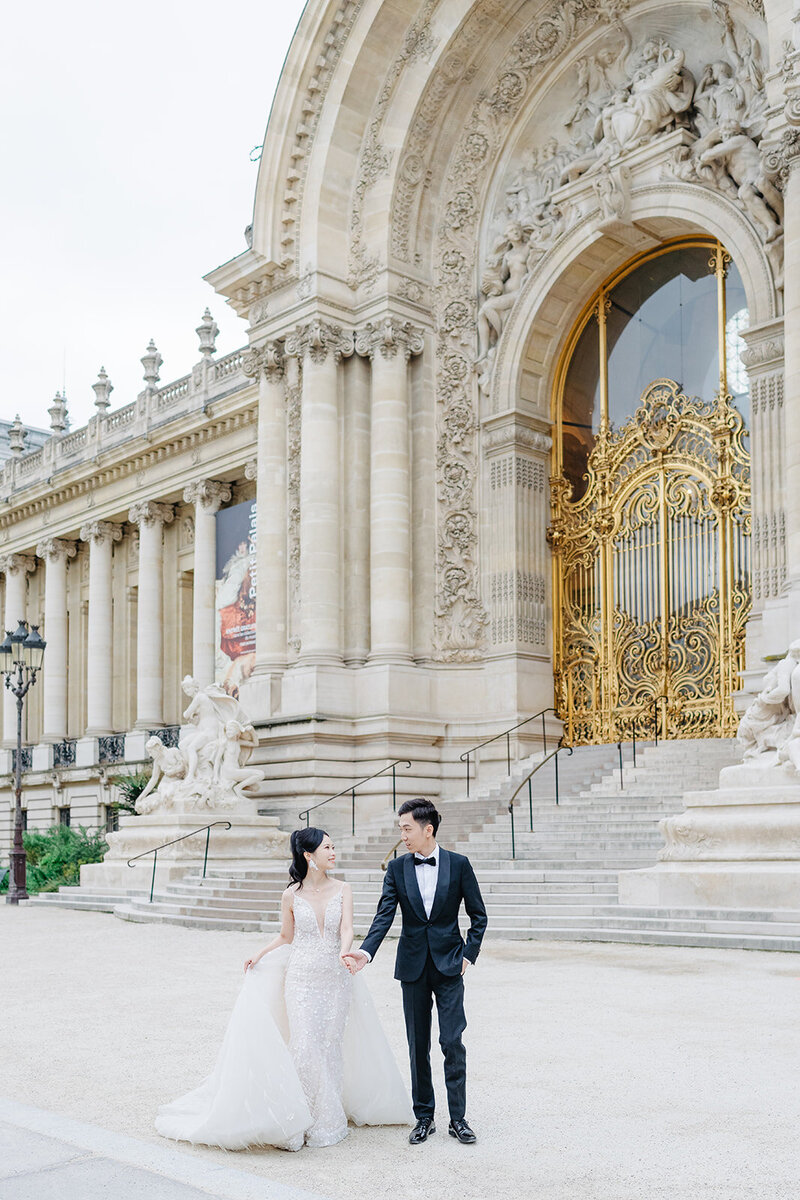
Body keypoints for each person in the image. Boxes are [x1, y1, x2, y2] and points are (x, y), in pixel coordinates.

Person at [155, 828, 411, 1151]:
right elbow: (285, 936)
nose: (334, 852)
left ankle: (326, 1118)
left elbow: (347, 928)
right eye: (327, 847)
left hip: (336, 976)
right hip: (301, 978)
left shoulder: (344, 889)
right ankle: (295, 1118)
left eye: (334, 846)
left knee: (330, 1045)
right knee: (304, 1045)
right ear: (308, 855)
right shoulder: (290, 894)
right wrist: (260, 954)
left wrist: (346, 951)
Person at [343, 798, 487, 1146]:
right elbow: (384, 915)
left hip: (450, 963)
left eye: (407, 828)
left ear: (428, 829)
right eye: (400, 829)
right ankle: (424, 1117)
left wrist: (468, 955)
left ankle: (458, 1118)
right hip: (412, 967)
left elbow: (478, 915)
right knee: (416, 1044)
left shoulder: (459, 864)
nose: (402, 835)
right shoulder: (396, 868)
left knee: (452, 1042)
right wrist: (366, 952)